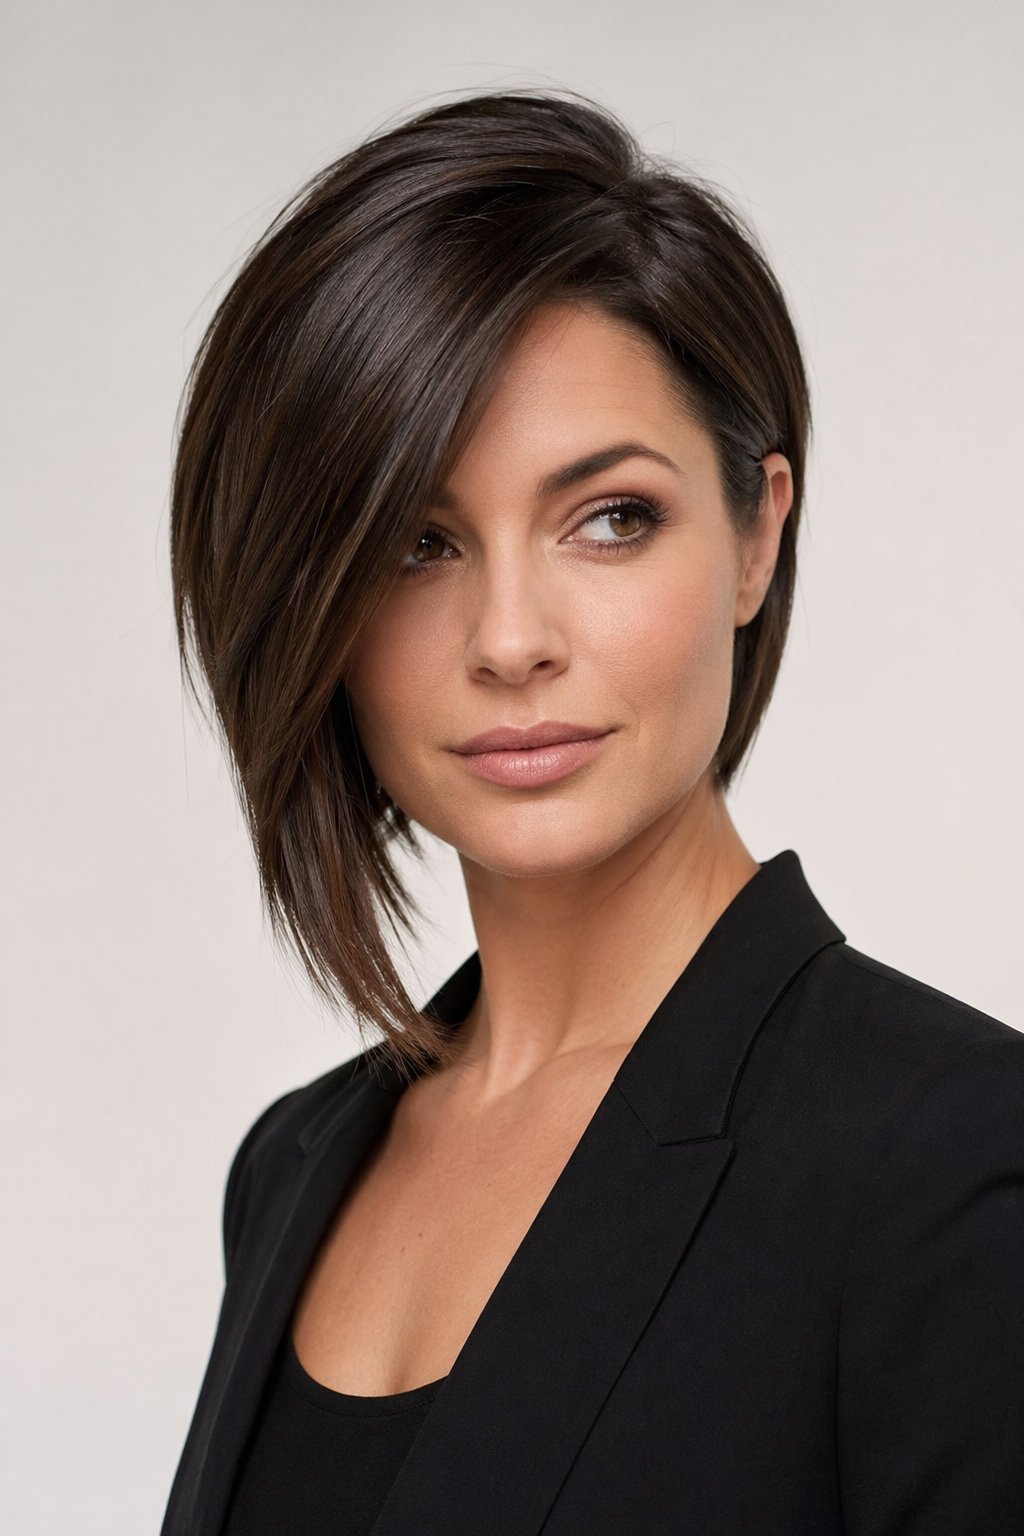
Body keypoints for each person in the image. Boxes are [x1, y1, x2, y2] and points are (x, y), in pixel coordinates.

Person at [160, 89, 1024, 1536]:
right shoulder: (294, 1168)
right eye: (414, 543)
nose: (510, 637)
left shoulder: (955, 1169)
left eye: (610, 517)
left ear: (757, 533)